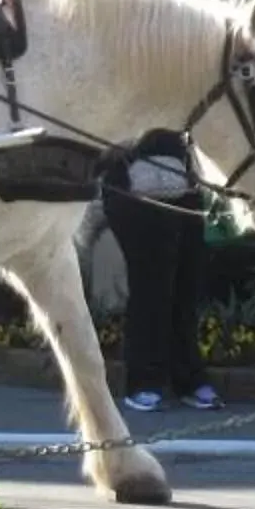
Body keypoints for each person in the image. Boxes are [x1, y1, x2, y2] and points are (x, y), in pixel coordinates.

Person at [97, 127, 221, 415]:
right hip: (131, 182)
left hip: (185, 182)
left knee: (186, 284)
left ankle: (188, 379)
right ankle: (144, 381)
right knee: (150, 284)